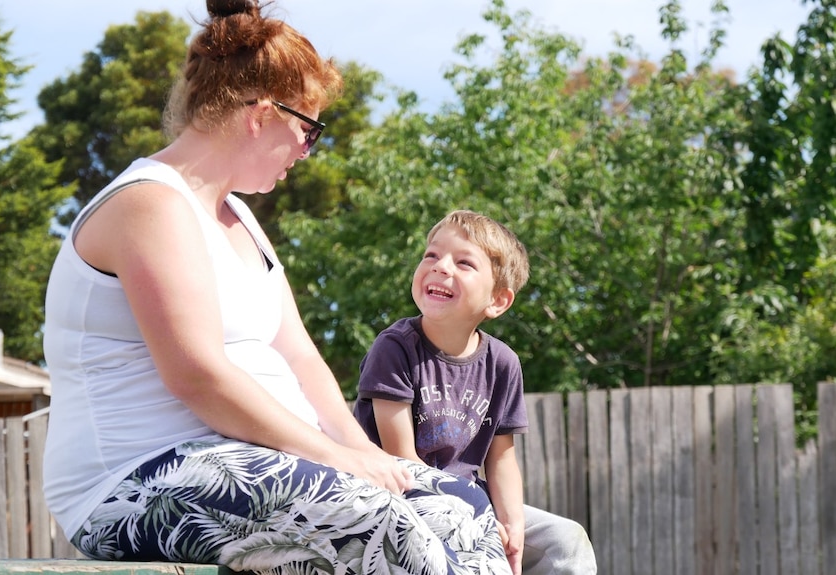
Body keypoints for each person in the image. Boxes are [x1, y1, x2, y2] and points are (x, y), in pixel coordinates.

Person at [41, 2, 513, 573]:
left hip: (251, 461)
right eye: (308, 129)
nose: (308, 151)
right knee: (382, 525)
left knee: (463, 508)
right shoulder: (150, 205)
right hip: (134, 479)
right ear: (262, 114)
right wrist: (333, 456)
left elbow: (300, 357)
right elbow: (198, 375)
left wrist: (365, 454)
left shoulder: (238, 217)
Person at [353, 210, 598, 575]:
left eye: (464, 262)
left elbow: (500, 460)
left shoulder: (502, 364)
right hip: (395, 496)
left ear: (497, 301)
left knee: (565, 539)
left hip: (470, 501)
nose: (440, 266)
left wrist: (512, 528)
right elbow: (400, 457)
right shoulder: (395, 348)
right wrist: (477, 516)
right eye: (431, 255)